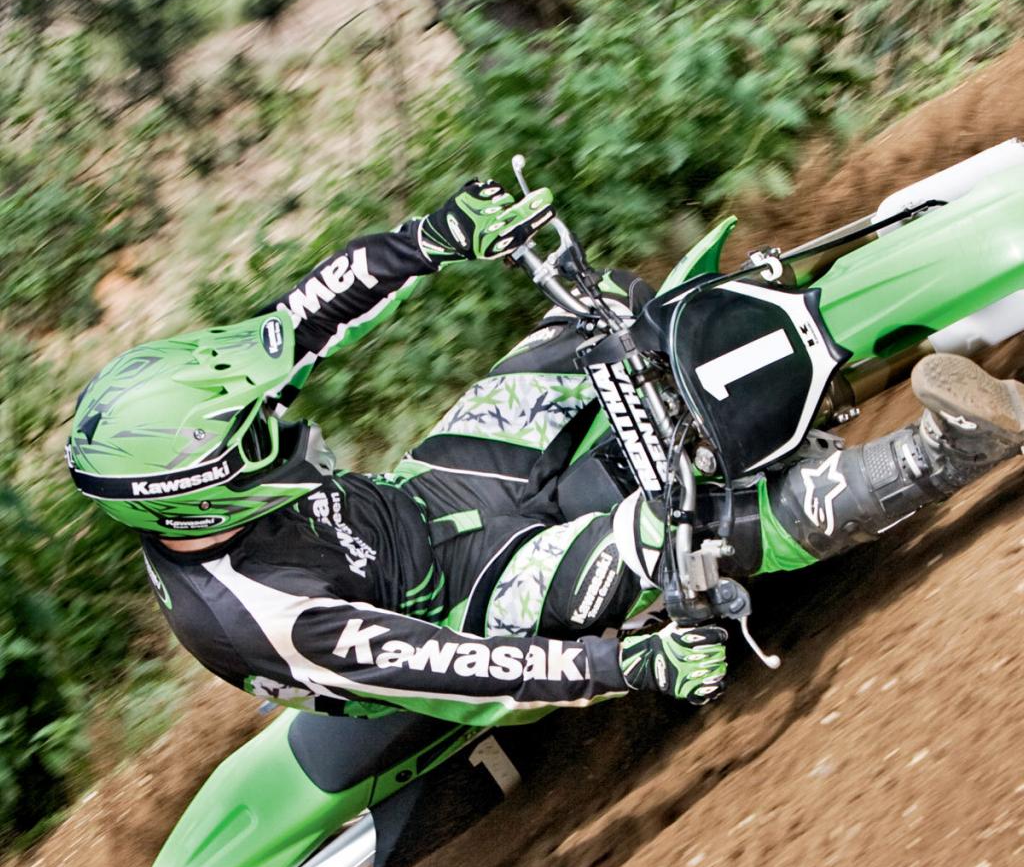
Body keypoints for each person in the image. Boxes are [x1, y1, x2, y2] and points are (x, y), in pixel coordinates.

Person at [66, 179, 1024, 727]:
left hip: (431, 492)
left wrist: (440, 235)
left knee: (599, 317)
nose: (287, 421)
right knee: (672, 533)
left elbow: (310, 310)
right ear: (199, 496)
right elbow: (463, 673)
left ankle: (854, 303)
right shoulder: (269, 617)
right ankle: (945, 451)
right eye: (263, 432)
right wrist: (632, 663)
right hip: (468, 603)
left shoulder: (210, 434)